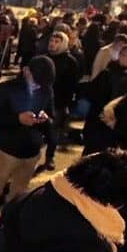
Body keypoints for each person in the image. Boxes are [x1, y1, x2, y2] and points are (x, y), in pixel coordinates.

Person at [0, 56, 55, 252]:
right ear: (26, 71)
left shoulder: (46, 89)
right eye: (36, 80)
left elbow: (51, 114)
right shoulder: (6, 89)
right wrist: (17, 119)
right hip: (6, 151)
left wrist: (45, 119)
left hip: (31, 152)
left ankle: (3, 234)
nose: (39, 86)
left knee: (17, 197)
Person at [42, 31, 80, 171]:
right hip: (40, 101)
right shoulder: (43, 59)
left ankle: (49, 157)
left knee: (53, 132)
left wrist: (67, 103)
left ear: (63, 44)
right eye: (51, 41)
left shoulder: (70, 62)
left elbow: (72, 85)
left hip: (58, 104)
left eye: (57, 42)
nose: (52, 44)